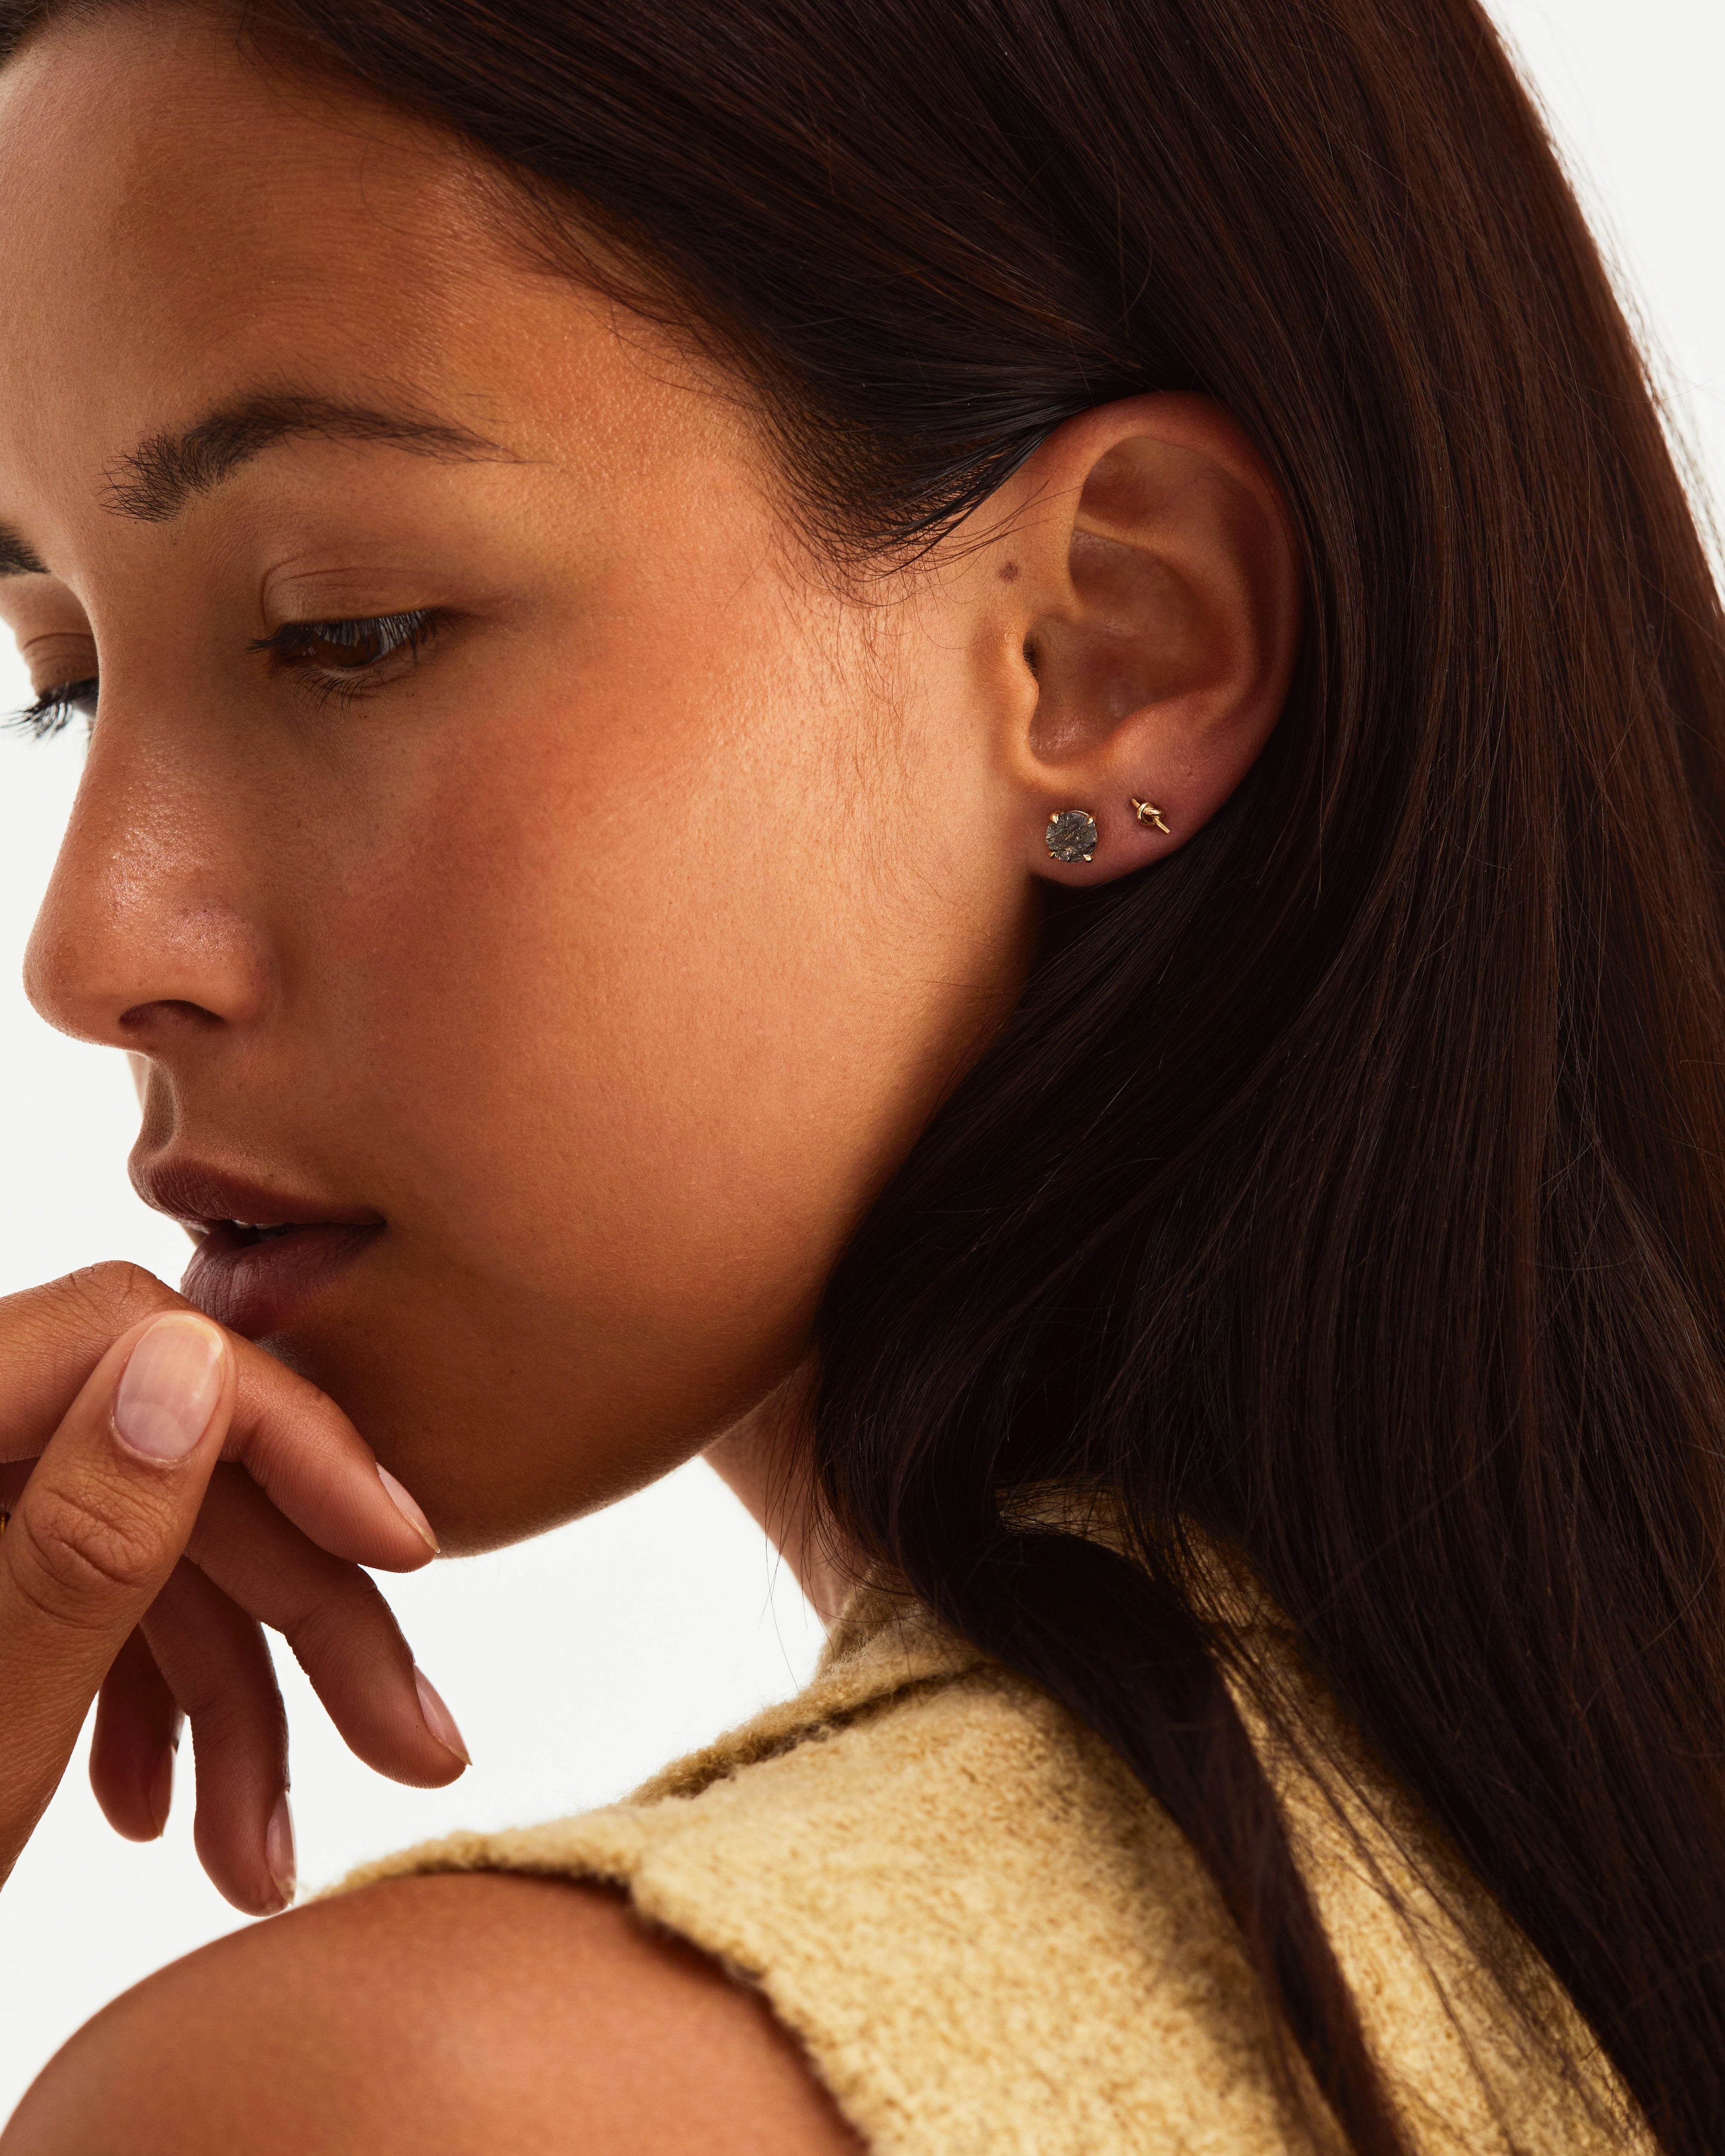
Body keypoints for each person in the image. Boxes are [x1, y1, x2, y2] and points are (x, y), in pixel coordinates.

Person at [0, 0, 1718, 2146]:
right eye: (60, 680)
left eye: (348, 627)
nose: (93, 950)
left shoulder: (427, 2103)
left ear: (1113, 643)